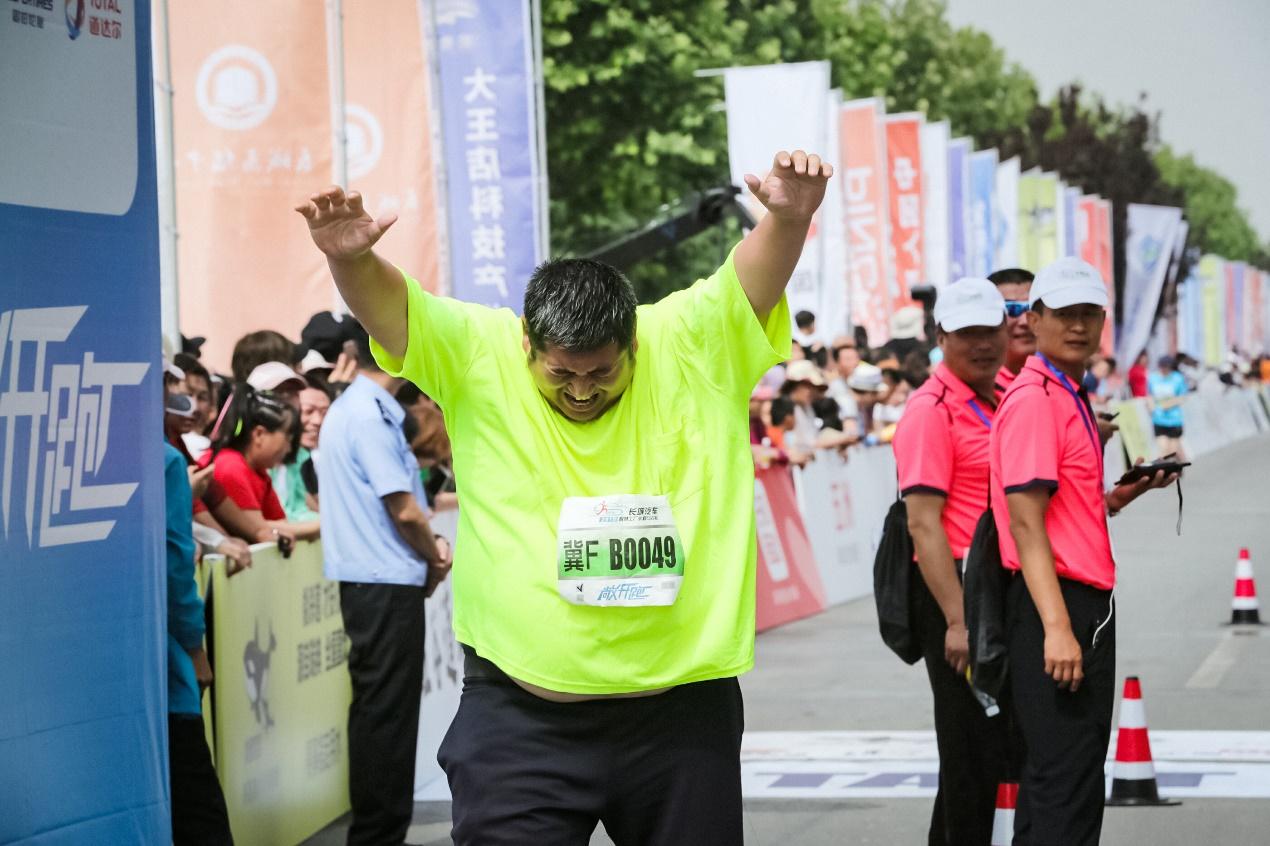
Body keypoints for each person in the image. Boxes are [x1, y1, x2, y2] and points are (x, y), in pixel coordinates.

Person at [297, 148, 831, 844]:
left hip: (678, 718)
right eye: (562, 375)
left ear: (633, 342)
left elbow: (753, 278)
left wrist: (788, 219)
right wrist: (349, 262)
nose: (582, 391)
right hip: (521, 720)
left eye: (601, 373)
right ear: (527, 344)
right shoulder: (480, 353)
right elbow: (395, 311)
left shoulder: (691, 341)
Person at [990, 257, 1178, 846]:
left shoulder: (1067, 393)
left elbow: (1060, 512)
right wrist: (1057, 627)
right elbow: (1025, 525)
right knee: (1062, 784)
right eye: (1064, 314)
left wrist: (1117, 497)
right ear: (1035, 319)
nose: (1078, 326)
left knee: (1069, 782)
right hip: (1058, 607)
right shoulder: (1035, 399)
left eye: (1089, 314)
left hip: (1079, 605)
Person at [317, 323, 452, 846]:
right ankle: (378, 835)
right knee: (385, 719)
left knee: (380, 715)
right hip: (382, 584)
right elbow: (404, 509)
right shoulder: (368, 415)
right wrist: (434, 554)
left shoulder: (361, 410)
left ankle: (377, 832)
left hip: (374, 583)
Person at [894, 277, 1009, 845]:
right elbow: (922, 523)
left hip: (1000, 585)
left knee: (989, 754)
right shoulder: (930, 410)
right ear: (942, 336)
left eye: (990, 330)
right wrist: (959, 619)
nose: (982, 344)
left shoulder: (1006, 393)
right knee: (970, 754)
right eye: (967, 334)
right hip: (956, 592)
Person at [164, 440, 233, 844]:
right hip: (166, 675)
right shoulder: (164, 461)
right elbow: (175, 567)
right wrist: (194, 649)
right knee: (198, 815)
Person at [200, 386, 319, 546]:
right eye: (287, 439)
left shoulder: (260, 472)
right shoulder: (230, 467)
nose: (289, 449)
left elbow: (280, 524)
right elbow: (259, 529)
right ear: (259, 434)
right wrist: (325, 526)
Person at [986, 267, 1036, 392]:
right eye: (1012, 308)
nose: (1025, 321)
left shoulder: (1064, 380)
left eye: (1032, 308)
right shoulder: (979, 388)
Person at [1148, 355, 1188, 459]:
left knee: (1172, 451)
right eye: (1161, 366)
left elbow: (1183, 397)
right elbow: (1149, 395)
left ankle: (1179, 463)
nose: (1163, 369)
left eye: (1166, 366)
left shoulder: (1178, 378)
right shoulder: (1153, 378)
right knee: (1163, 450)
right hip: (1159, 419)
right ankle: (1164, 473)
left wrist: (1169, 404)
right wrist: (1151, 407)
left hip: (1174, 420)